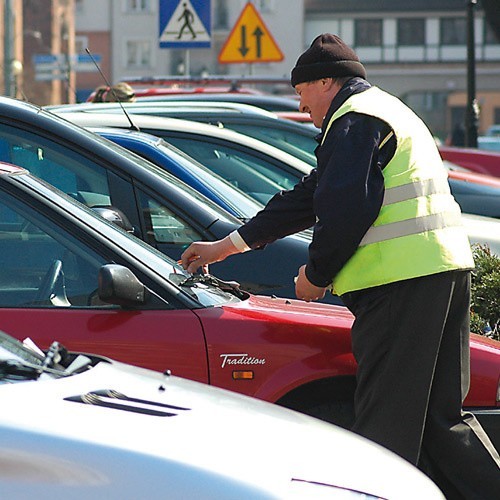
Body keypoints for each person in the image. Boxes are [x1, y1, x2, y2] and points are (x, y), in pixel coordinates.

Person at [180, 34, 500, 498]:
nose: (302, 104)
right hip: (443, 270)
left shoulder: (353, 120)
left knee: (386, 424)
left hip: (399, 283)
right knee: (439, 419)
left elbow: (346, 208)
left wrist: (316, 274)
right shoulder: (387, 110)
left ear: (325, 81)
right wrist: (229, 245)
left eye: (302, 90)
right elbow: (314, 195)